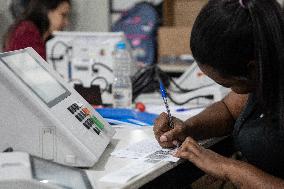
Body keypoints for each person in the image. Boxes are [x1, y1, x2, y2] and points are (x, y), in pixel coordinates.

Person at [153, 0, 284, 188]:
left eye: (228, 84)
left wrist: (228, 168)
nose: (231, 91)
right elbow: (229, 109)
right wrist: (188, 128)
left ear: (253, 69)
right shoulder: (267, 66)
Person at [3, 0, 71, 60]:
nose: (66, 22)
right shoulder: (26, 32)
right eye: (63, 15)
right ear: (46, 10)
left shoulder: (46, 40)